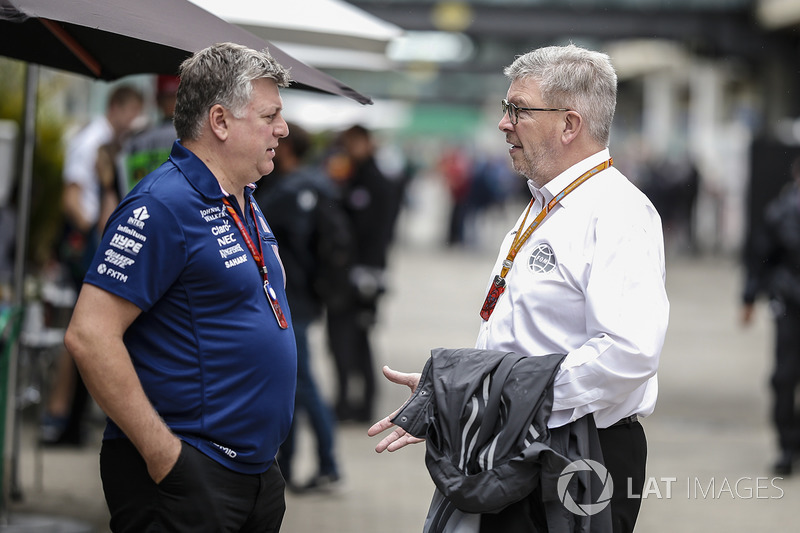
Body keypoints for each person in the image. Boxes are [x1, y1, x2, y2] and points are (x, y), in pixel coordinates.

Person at [368, 44, 669, 533]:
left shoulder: (618, 213)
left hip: (577, 454)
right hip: (524, 440)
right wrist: (461, 395)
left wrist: (499, 400)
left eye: (518, 110)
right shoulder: (548, 200)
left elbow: (629, 354)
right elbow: (526, 337)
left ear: (570, 124)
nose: (504, 123)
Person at [64, 42, 295, 532]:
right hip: (186, 473)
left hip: (252, 471)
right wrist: (164, 456)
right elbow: (89, 335)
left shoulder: (242, 200)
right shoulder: (163, 205)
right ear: (220, 121)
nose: (283, 129)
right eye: (270, 115)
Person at [42, 84, 144, 446]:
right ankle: (58, 415)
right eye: (132, 111)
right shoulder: (91, 142)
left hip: (94, 242)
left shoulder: (108, 142)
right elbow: (72, 198)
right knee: (84, 330)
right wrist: (98, 238)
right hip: (89, 244)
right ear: (116, 107)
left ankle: (65, 417)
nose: (135, 121)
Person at [254, 122, 351, 493]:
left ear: (288, 149)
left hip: (290, 300)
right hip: (307, 298)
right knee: (294, 382)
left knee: (300, 383)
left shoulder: (285, 192)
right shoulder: (316, 185)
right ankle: (293, 467)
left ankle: (327, 465)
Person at [325, 124, 398, 423]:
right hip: (351, 273)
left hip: (363, 275)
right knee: (344, 339)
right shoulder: (351, 176)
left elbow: (370, 230)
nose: (349, 149)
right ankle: (347, 400)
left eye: (355, 143)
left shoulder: (375, 181)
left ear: (368, 143)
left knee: (354, 338)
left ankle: (359, 403)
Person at [741, 156, 800, 476]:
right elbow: (760, 258)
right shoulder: (780, 213)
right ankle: (787, 446)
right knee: (785, 377)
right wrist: (749, 298)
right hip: (790, 305)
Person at [119, 74, 180, 194]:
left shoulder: (137, 140)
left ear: (156, 101)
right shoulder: (197, 136)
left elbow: (126, 187)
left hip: (143, 206)